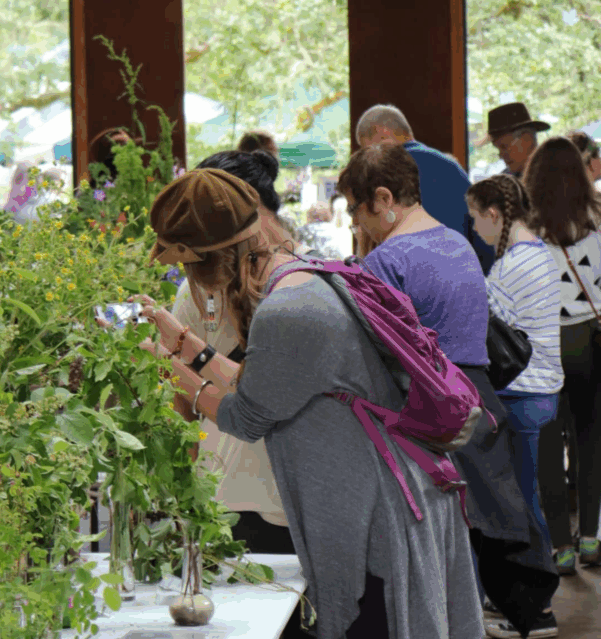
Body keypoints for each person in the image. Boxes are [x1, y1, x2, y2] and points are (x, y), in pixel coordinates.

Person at [135, 168, 482, 639]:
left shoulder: (285, 311)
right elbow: (266, 384)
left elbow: (247, 417)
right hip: (390, 494)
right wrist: (185, 343)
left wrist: (167, 366)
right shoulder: (303, 273)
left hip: (378, 515)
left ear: (208, 267)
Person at [338, 144, 559, 639]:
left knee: (445, 541)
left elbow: (375, 357)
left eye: (355, 208)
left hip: (428, 415)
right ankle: (510, 614)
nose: (355, 221)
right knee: (491, 521)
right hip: (479, 402)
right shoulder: (458, 244)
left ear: (383, 198)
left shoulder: (387, 261)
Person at [171, 149, 295, 558]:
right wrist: (185, 487)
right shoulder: (198, 289)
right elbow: (181, 398)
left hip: (286, 500)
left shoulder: (301, 286)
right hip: (220, 495)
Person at [466, 174, 564, 636]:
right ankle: (521, 599)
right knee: (526, 500)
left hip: (522, 394)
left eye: (474, 217)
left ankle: (535, 609)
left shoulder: (511, 266)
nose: (473, 228)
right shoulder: (539, 252)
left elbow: (481, 327)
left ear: (494, 214)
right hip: (542, 392)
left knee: (519, 506)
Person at [525, 137, 601, 579]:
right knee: (591, 441)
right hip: (590, 341)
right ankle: (590, 538)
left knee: (549, 447)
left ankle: (561, 548)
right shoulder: (597, 217)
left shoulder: (526, 225)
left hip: (544, 343)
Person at [355, 103, 495, 273]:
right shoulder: (452, 167)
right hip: (465, 274)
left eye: (367, 150)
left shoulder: (386, 173)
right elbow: (483, 242)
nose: (368, 159)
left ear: (384, 138)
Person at [484, 102, 550, 179]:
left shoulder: (556, 172)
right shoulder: (505, 180)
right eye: (498, 149)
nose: (501, 156)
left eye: (504, 147)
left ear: (527, 139)